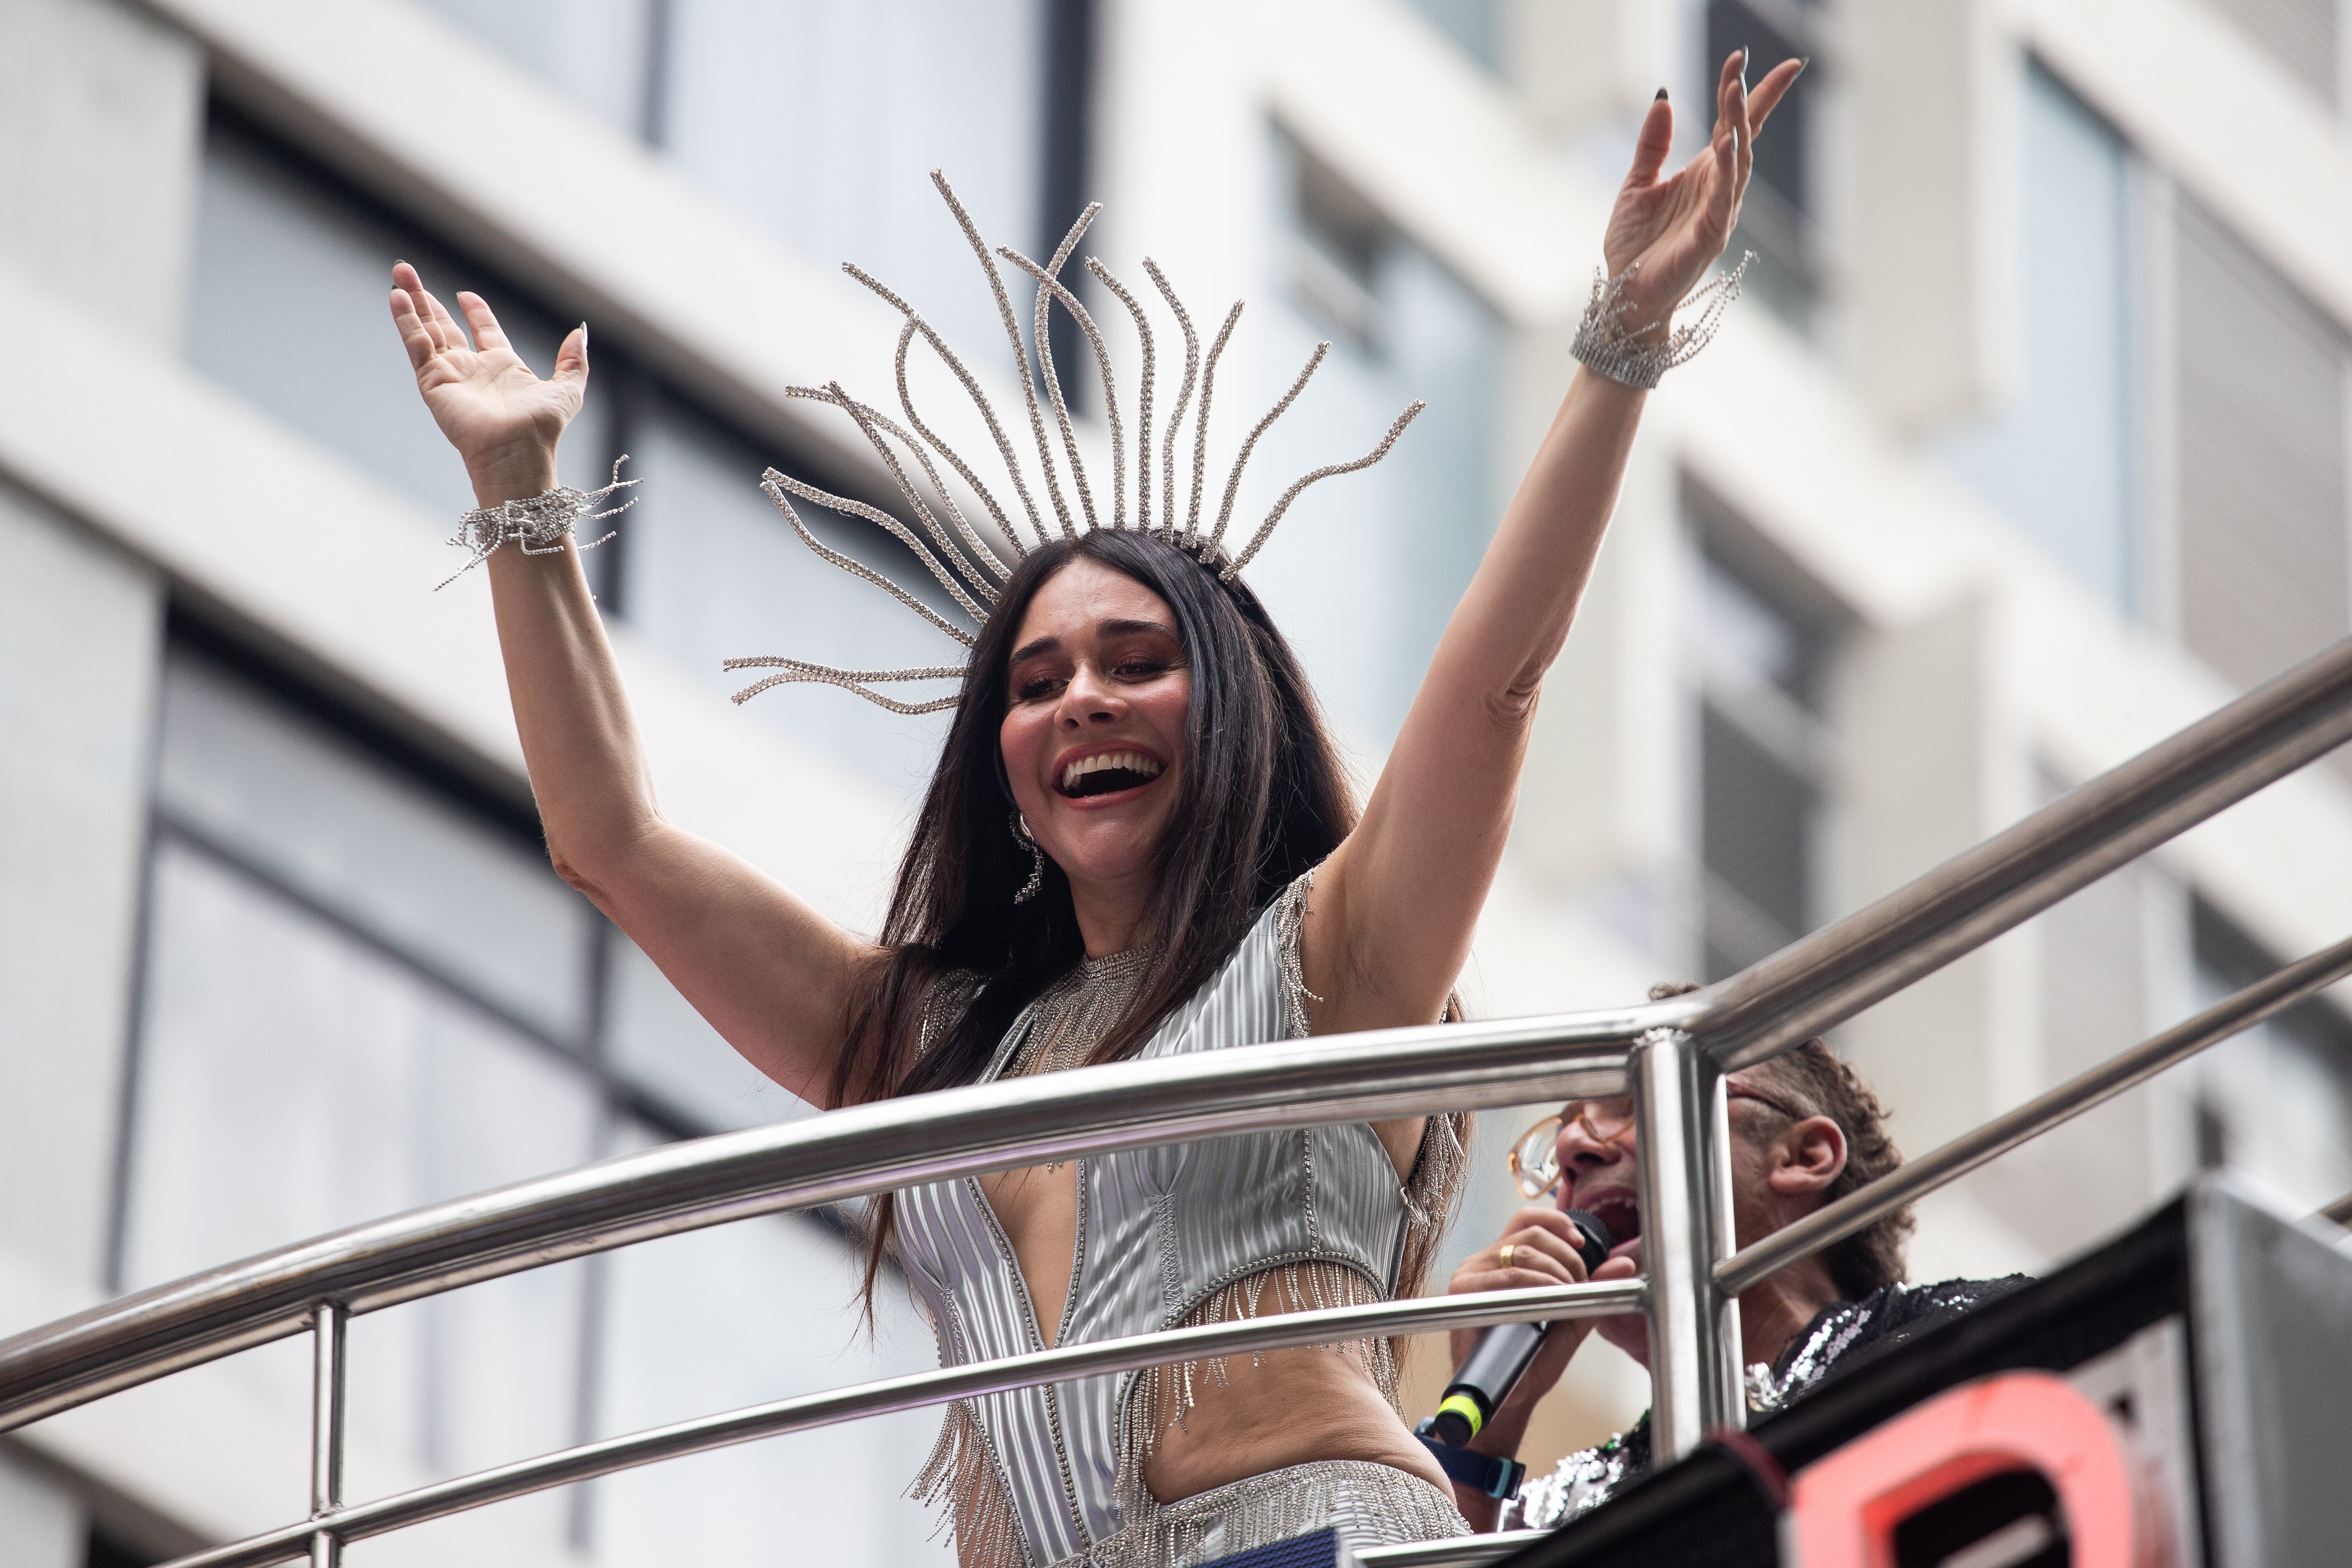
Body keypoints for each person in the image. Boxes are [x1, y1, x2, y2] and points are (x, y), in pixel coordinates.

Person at [384, 52, 1800, 1568]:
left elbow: (1496, 690)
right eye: (1039, 678)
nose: (1083, 703)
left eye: (1138, 664)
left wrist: (1623, 343)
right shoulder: (942, 1053)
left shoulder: (1338, 964)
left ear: (1234, 715)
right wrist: (522, 497)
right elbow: (615, 843)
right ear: (1003, 762)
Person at [1441, 982, 2029, 1532]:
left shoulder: (1979, 1337)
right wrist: (1479, 1449)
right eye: (1561, 1131)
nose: (1572, 1147)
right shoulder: (1563, 1509)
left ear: (1803, 1156)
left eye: (1636, 1100)